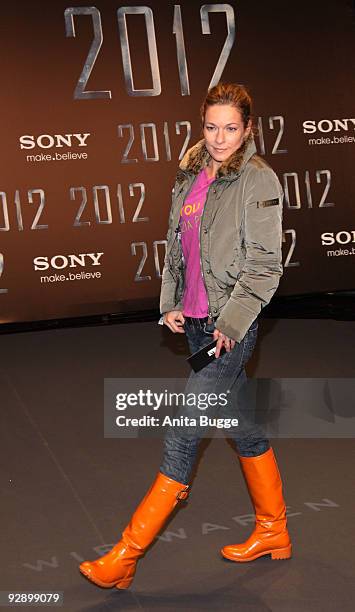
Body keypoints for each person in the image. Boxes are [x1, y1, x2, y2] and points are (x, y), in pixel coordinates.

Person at [79, 82, 292, 590]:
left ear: (248, 130)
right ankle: (274, 530)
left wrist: (231, 325)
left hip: (228, 327)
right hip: (195, 322)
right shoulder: (192, 172)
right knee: (240, 423)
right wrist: (171, 302)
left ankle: (126, 556)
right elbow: (177, 244)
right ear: (202, 127)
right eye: (212, 127)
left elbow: (264, 267)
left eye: (231, 129)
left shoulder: (258, 181)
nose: (220, 139)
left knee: (182, 432)